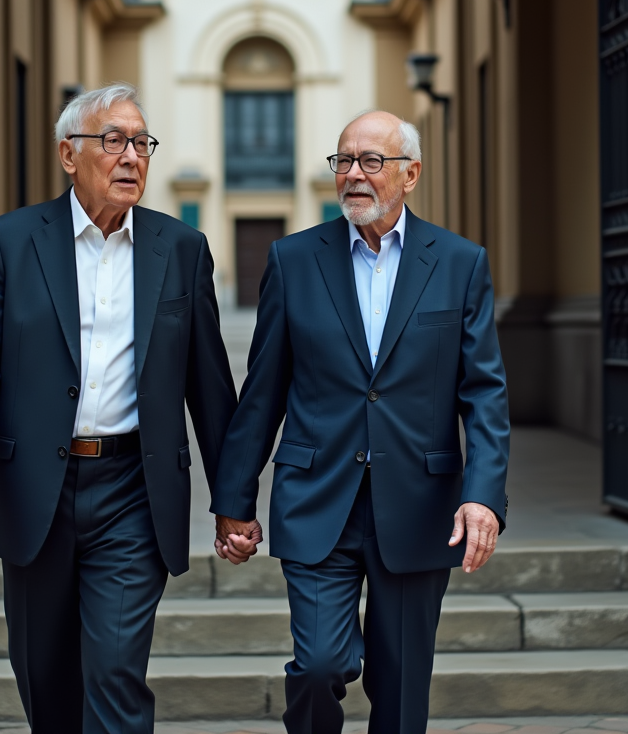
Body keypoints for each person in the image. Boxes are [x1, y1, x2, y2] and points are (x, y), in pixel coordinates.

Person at [0, 83, 237, 733]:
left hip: (133, 487)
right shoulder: (10, 242)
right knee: (46, 681)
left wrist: (233, 498)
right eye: (114, 141)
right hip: (35, 487)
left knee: (116, 673)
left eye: (141, 143)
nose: (132, 156)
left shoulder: (180, 250)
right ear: (69, 155)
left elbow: (209, 385)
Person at [211, 110, 510, 734]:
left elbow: (483, 394)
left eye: (371, 162)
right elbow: (263, 390)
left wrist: (482, 497)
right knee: (321, 665)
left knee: (401, 692)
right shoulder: (293, 260)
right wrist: (233, 501)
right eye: (343, 161)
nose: (353, 175)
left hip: (420, 504)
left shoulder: (459, 263)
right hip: (318, 499)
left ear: (411, 173)